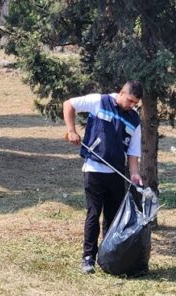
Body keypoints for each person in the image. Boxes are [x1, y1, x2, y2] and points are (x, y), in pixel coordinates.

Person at [62, 81, 144, 274]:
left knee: (112, 218)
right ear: (122, 93)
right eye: (130, 100)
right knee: (93, 214)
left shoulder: (134, 120)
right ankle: (88, 258)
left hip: (116, 173)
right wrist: (71, 130)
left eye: (135, 103)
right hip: (94, 170)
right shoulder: (99, 101)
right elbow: (69, 104)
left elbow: (133, 152)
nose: (131, 105)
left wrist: (134, 173)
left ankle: (108, 257)